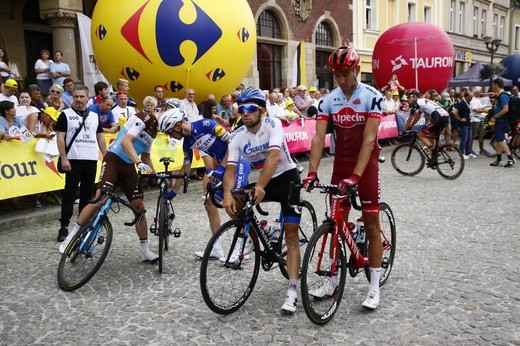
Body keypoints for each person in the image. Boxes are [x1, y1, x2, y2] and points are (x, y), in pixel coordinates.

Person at [303, 47, 384, 310]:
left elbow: (370, 140)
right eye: (336, 75)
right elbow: (318, 138)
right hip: (341, 162)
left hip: (366, 163)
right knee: (336, 223)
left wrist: (356, 177)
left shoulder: (372, 97)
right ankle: (333, 279)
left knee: (372, 226)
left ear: (357, 71)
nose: (341, 80)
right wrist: (312, 171)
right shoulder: (329, 100)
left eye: (346, 74)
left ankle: (373, 287)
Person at [58, 102, 183, 262]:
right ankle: (72, 236)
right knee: (99, 200)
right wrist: (138, 162)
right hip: (113, 160)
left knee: (139, 207)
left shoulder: (154, 129)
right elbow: (126, 141)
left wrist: (157, 176)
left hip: (129, 166)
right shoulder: (146, 117)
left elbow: (146, 156)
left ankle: (145, 250)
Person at [222, 86, 302, 314]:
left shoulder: (273, 125)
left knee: (291, 234)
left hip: (287, 179)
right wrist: (228, 193)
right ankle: (259, 232)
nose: (244, 112)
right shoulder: (237, 135)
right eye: (241, 108)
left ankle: (293, 291)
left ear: (261, 111)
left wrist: (259, 186)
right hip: (264, 180)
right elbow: (230, 167)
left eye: (250, 108)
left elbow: (274, 158)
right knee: (235, 202)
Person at [163, 98, 250, 259]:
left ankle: (241, 248)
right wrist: (173, 191)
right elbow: (185, 169)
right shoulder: (186, 143)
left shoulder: (206, 125)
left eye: (170, 132)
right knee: (210, 203)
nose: (171, 137)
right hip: (225, 166)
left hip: (239, 161)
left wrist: (223, 168)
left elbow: (232, 144)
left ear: (178, 125)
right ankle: (216, 248)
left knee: (230, 204)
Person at [55, 84, 107, 242]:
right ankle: (64, 226)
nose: (78, 99)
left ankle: (82, 224)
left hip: (90, 159)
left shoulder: (93, 116)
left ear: (87, 98)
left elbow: (100, 137)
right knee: (69, 194)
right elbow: (60, 137)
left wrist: (106, 155)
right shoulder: (65, 115)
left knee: (86, 195)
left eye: (81, 96)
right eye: (76, 96)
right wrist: (64, 158)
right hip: (73, 160)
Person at [489, 78, 515, 167]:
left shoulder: (503, 95)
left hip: (502, 121)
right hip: (500, 121)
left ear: (496, 85)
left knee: (500, 140)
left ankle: (510, 158)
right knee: (497, 140)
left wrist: (495, 117)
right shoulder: (500, 95)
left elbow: (505, 109)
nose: (492, 86)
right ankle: (499, 159)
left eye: (493, 85)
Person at [468, 87, 490, 157]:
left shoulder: (478, 99)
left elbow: (481, 107)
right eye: (480, 91)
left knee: (481, 135)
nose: (481, 93)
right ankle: (470, 150)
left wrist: (486, 109)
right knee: (472, 136)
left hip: (479, 119)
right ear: (476, 92)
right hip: (474, 120)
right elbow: (475, 110)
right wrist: (484, 111)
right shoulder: (472, 100)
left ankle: (482, 149)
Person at [452, 92, 474, 159]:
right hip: (463, 124)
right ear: (466, 96)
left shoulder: (468, 102)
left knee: (468, 138)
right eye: (471, 97)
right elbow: (454, 112)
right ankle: (461, 154)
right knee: (464, 139)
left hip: (468, 123)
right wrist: (460, 118)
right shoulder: (462, 103)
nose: (472, 99)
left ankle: (468, 152)